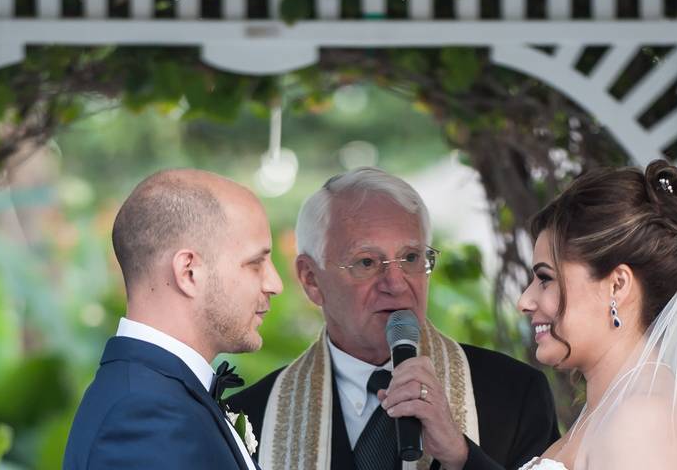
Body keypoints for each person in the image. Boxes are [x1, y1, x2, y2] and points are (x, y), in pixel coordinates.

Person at [227, 167, 558, 470]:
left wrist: (461, 455)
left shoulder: (514, 393)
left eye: (411, 258)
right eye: (367, 262)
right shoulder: (249, 419)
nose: (397, 284)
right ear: (311, 279)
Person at [515, 160, 677, 470]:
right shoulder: (609, 409)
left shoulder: (641, 421)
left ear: (617, 285)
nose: (525, 301)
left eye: (545, 279)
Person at [63, 168, 284, 470]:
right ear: (189, 272)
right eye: (255, 263)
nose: (275, 284)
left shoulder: (160, 395)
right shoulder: (143, 415)